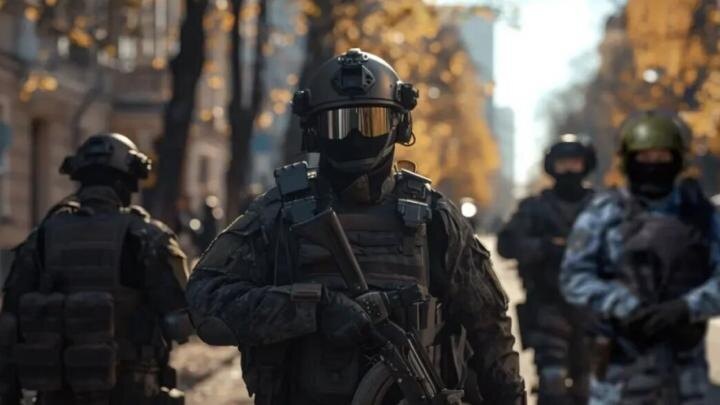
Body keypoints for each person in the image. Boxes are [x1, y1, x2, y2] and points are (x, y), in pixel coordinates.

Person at [186, 48, 526, 405]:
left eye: (370, 122)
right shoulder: (280, 214)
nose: (355, 135)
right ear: (315, 131)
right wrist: (313, 310)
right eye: (339, 123)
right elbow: (204, 301)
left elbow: (490, 327)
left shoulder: (434, 219)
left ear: (399, 125)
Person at [0, 133, 193, 404]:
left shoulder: (43, 236)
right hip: (130, 391)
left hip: (57, 394)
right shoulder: (146, 238)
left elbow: (9, 324)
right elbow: (181, 323)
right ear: (126, 181)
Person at [560, 111, 720, 404]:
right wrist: (623, 306)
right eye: (644, 157)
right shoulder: (604, 213)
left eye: (662, 157)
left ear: (678, 160)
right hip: (619, 376)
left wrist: (687, 307)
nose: (653, 165)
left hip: (686, 378)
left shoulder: (702, 216)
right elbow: (574, 277)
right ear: (628, 161)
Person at [497, 134, 596, 405]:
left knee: (590, 388)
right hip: (547, 307)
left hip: (592, 312)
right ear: (552, 166)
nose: (569, 169)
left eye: (574, 162)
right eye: (563, 163)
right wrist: (546, 247)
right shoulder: (535, 208)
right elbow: (507, 244)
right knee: (553, 386)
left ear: (585, 164)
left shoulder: (603, 207)